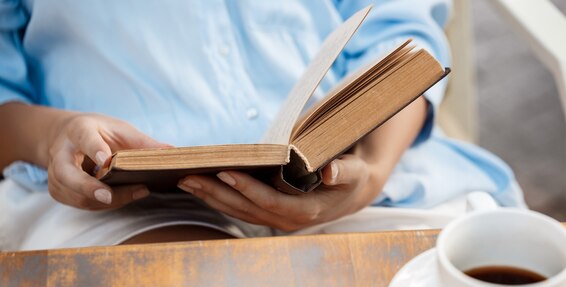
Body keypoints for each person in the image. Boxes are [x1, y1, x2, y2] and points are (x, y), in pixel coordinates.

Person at [0, 0, 524, 250]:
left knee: (492, 281)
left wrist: (373, 171)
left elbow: (401, 31)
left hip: (347, 175)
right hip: (125, 210)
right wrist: (52, 136)